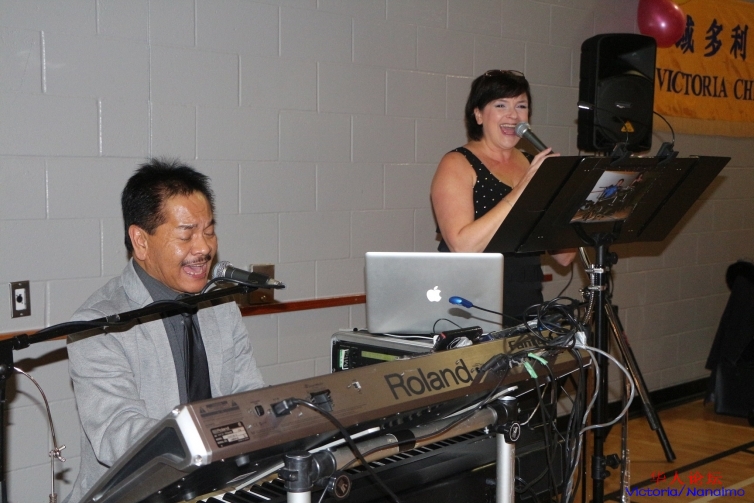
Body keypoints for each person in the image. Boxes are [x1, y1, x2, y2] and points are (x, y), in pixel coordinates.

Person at [64, 159, 265, 502]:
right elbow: (118, 435)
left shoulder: (220, 305)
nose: (204, 248)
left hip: (219, 488)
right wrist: (211, 439)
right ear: (140, 241)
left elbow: (249, 395)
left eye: (209, 231)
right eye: (186, 234)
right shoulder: (97, 324)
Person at [431, 70, 575, 324]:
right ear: (478, 114)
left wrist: (569, 199)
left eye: (521, 106)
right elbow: (462, 247)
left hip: (526, 302)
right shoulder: (457, 163)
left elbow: (565, 257)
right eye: (501, 105)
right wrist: (523, 188)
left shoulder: (533, 163)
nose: (513, 115)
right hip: (469, 306)